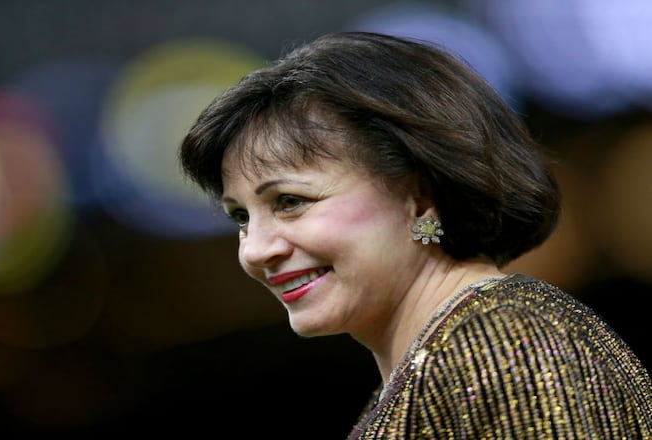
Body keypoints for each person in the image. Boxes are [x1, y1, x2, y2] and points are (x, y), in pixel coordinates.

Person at [178, 31, 652, 438]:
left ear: (420, 197)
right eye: (241, 217)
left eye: (290, 201)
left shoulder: (502, 340)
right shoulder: (451, 351)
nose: (256, 250)